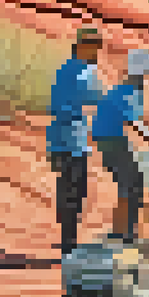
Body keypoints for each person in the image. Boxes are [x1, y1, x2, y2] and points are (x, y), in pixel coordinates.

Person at [49, 27, 106, 255]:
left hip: (57, 137)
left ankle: (67, 238)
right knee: (76, 189)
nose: (97, 53)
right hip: (73, 138)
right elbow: (96, 97)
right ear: (83, 47)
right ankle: (68, 243)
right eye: (94, 48)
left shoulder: (63, 69)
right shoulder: (84, 71)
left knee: (66, 187)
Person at [91, 49, 149, 245]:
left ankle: (122, 230)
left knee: (126, 183)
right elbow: (133, 120)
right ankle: (126, 233)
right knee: (133, 182)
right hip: (111, 139)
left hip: (106, 138)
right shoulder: (132, 90)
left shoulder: (122, 88)